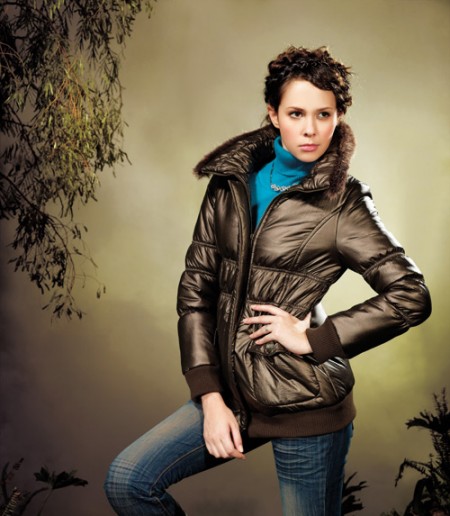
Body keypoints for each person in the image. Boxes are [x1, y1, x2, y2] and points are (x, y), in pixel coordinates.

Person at [104, 46, 431, 515]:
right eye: (296, 113)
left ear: (339, 117)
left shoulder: (345, 203)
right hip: (231, 392)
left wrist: (314, 339)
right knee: (129, 481)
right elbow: (196, 291)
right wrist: (210, 397)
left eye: (323, 114)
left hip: (305, 403)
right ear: (274, 114)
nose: (310, 129)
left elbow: (411, 295)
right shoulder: (231, 182)